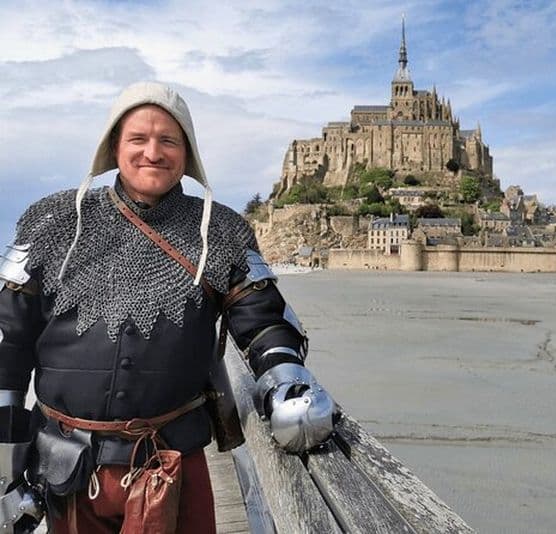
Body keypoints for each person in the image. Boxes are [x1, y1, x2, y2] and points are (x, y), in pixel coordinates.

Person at [0, 81, 337, 533]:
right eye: (138, 139)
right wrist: (6, 471)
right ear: (114, 146)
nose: (152, 153)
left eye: (168, 141)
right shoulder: (55, 221)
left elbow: (262, 321)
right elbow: (9, 343)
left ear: (187, 152)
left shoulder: (219, 231)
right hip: (67, 474)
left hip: (173, 466)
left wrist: (286, 383)